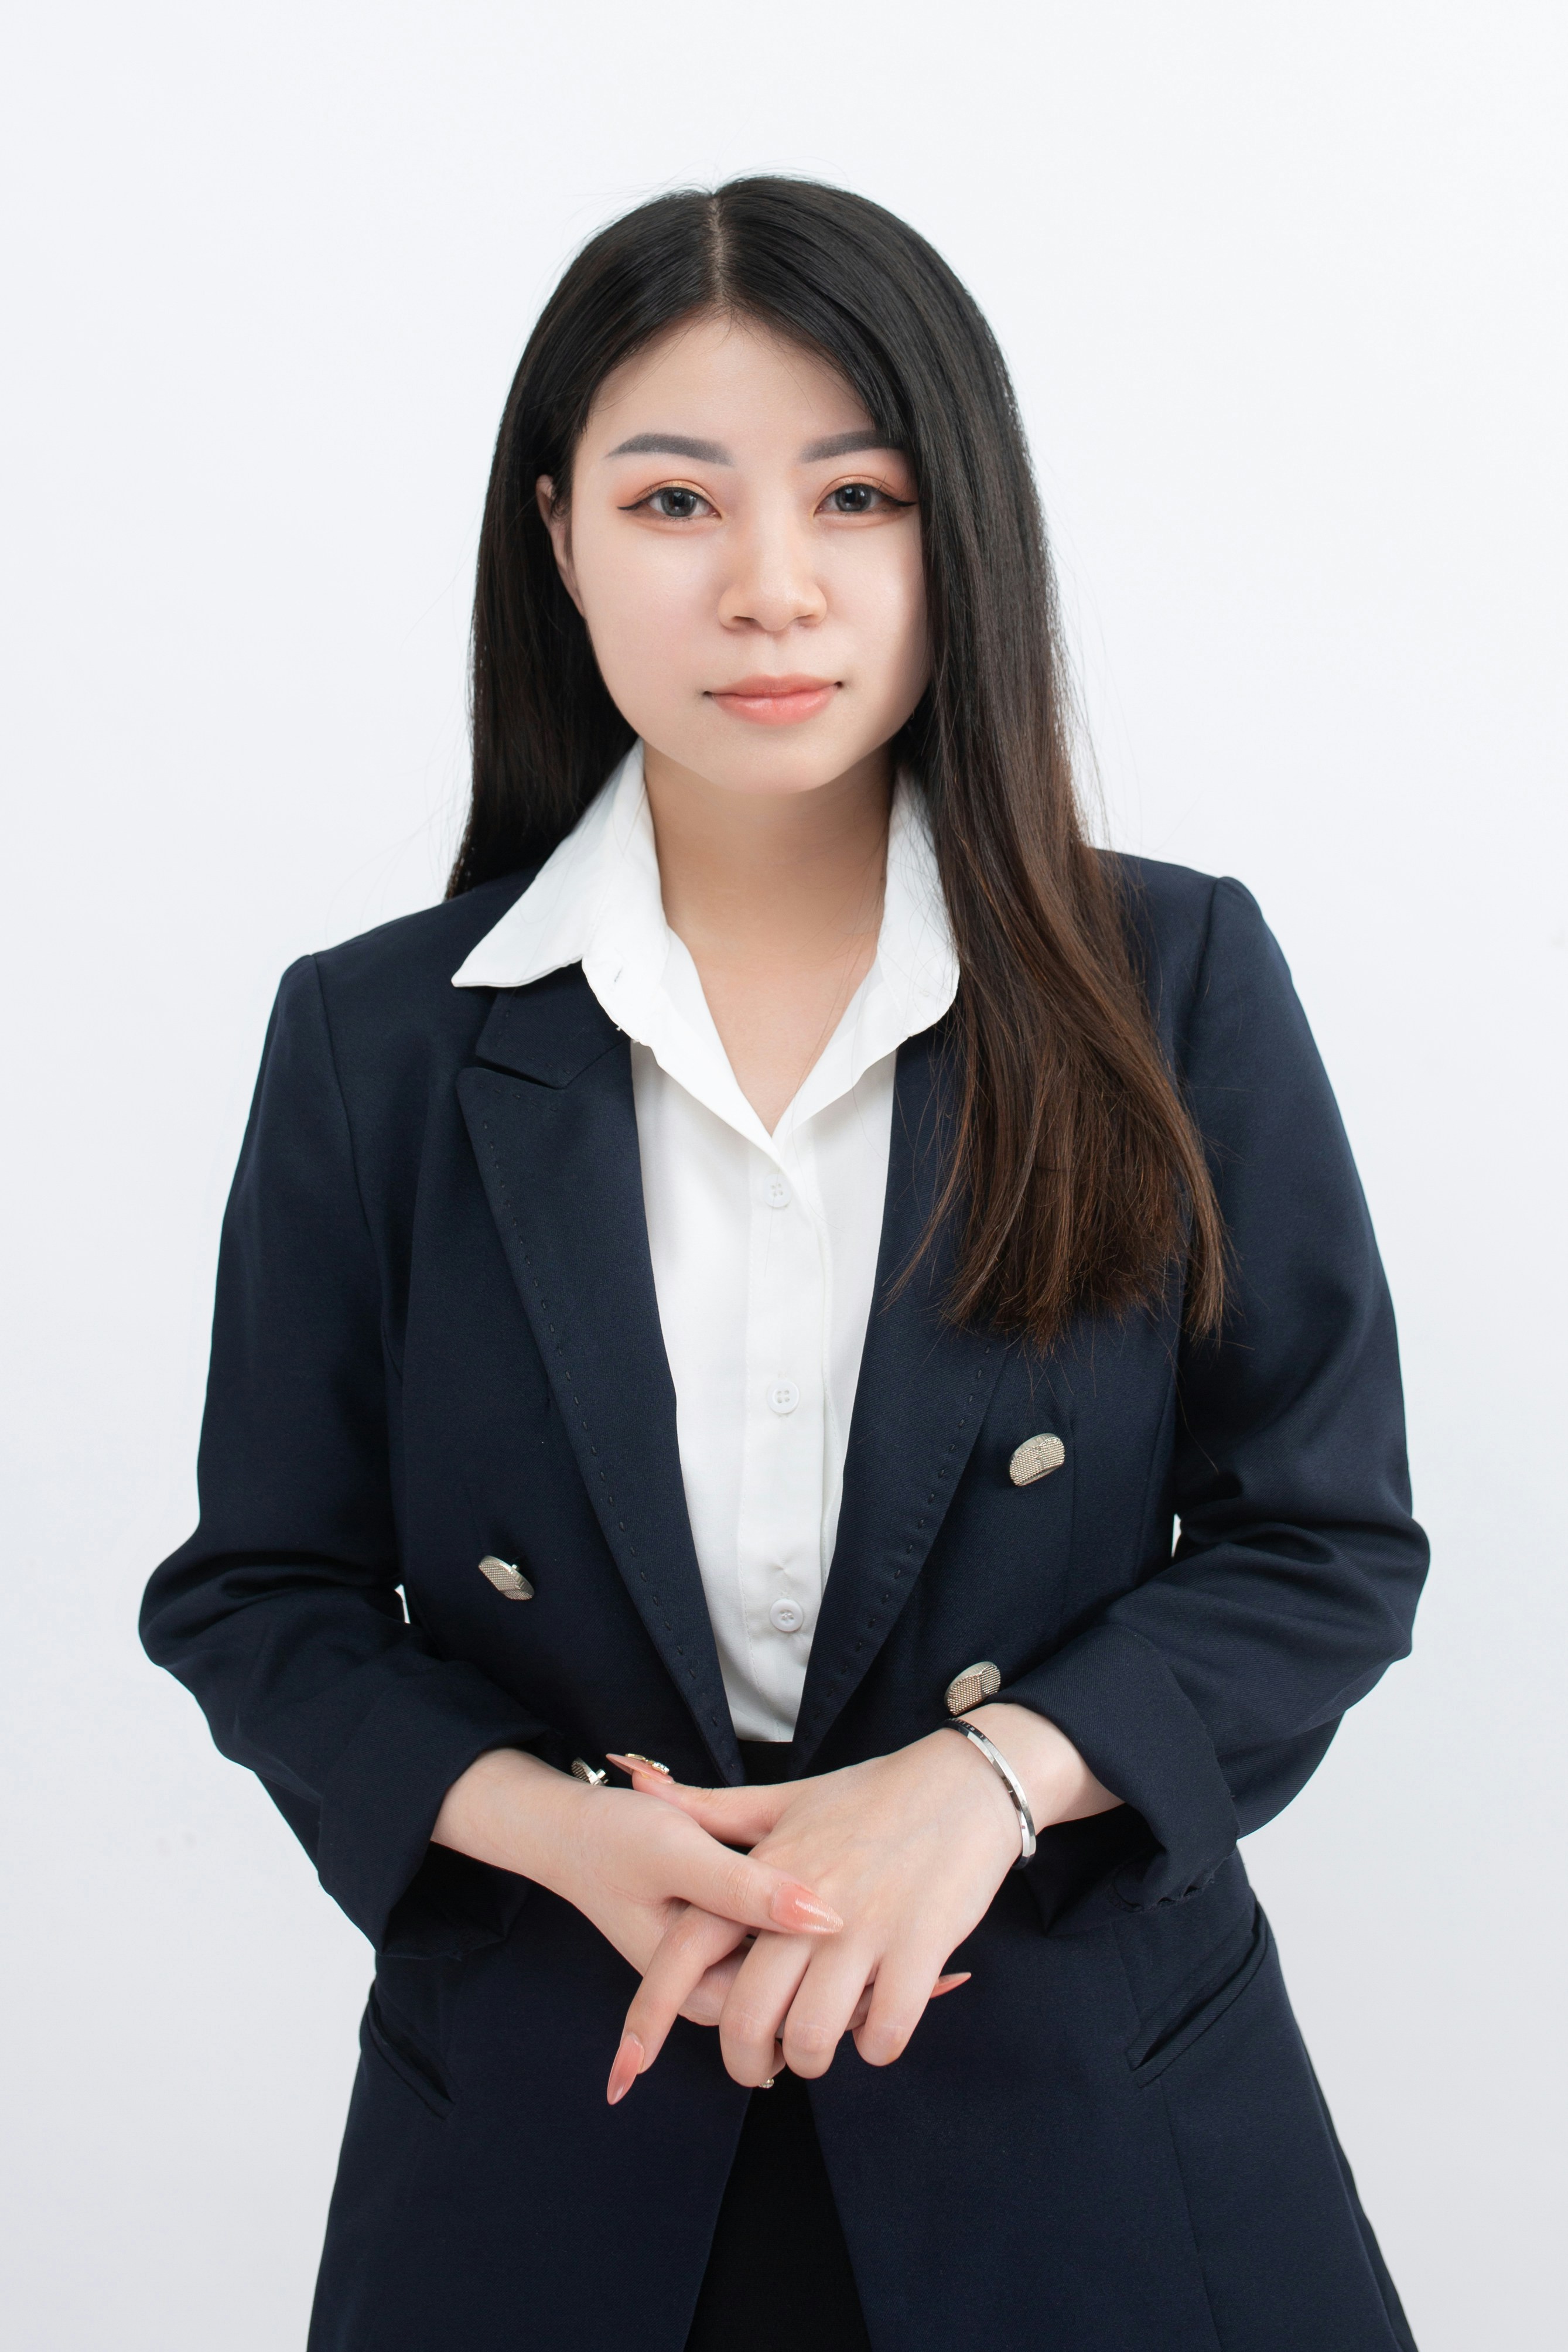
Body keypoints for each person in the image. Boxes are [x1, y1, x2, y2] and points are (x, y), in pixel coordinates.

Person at [141, 176, 1427, 2352]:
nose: (769, 587)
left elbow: (1324, 1544)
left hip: (1092, 2145)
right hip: (557, 2134)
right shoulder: (377, 1043)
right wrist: (559, 1832)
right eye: (675, 501)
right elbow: (263, 1594)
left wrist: (985, 1782)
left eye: (858, 496)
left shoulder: (1170, 979)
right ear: (558, 539)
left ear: (961, 537)